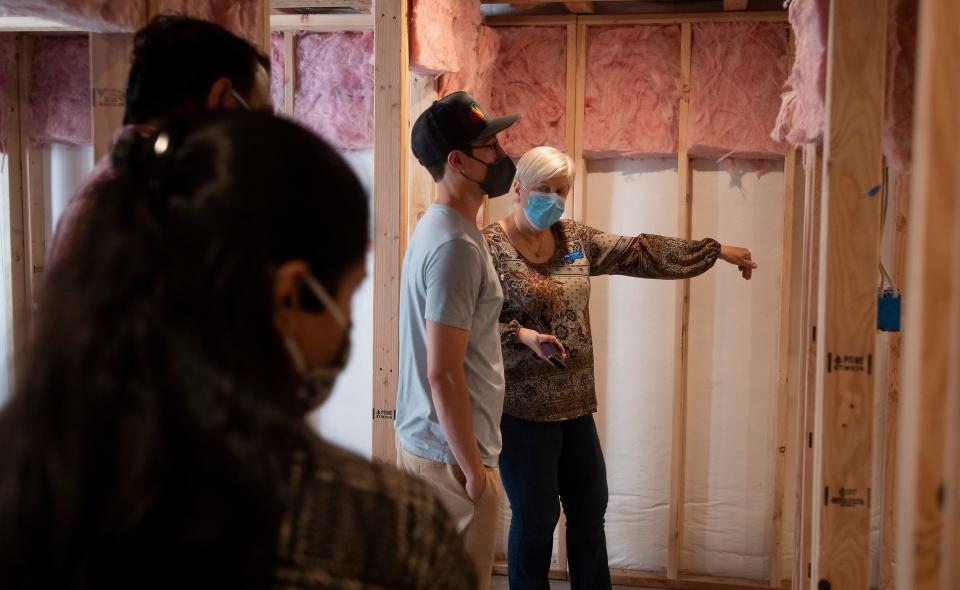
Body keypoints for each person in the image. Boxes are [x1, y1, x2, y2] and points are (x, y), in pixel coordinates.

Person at [0, 113, 475, 590]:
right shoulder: (391, 532)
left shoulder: (28, 478)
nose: (347, 325)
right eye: (350, 295)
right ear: (289, 295)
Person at [482, 146, 758, 590]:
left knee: (590, 512)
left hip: (576, 408)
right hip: (521, 413)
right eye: (542, 190)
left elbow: (641, 252)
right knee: (536, 522)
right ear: (517, 188)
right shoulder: (486, 248)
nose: (552, 199)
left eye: (561, 190)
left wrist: (715, 251)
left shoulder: (573, 239)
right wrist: (523, 336)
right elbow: (468, 327)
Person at [394, 91, 518, 589]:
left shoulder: (444, 228)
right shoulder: (455, 247)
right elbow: (442, 372)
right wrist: (474, 473)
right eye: (490, 147)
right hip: (450, 461)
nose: (502, 156)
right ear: (457, 160)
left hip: (433, 448)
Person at [46, 14, 273, 269]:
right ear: (221, 97)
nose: (264, 135)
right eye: (262, 118)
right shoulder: (150, 199)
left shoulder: (118, 184)